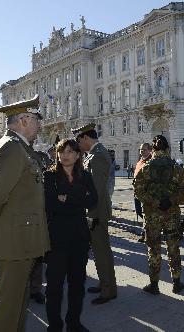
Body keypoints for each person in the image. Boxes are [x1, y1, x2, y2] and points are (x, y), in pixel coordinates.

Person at [0, 95, 50, 332]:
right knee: (9, 307)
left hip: (22, 238)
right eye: (37, 119)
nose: (40, 125)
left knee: (18, 302)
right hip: (14, 241)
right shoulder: (11, 149)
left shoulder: (21, 148)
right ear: (24, 120)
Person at [44, 139, 97, 332]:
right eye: (61, 151)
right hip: (56, 238)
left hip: (79, 237)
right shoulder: (49, 176)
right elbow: (49, 204)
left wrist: (68, 198)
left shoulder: (85, 176)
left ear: (77, 155)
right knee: (54, 286)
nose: (65, 155)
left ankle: (74, 323)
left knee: (77, 284)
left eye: (69, 151)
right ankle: (55, 325)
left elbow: (93, 201)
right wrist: (77, 200)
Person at [134, 135, 184, 294]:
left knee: (153, 249)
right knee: (173, 247)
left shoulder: (146, 167)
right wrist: (172, 200)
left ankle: (154, 284)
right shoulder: (175, 167)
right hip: (171, 215)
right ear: (167, 149)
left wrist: (155, 202)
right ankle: (177, 282)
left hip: (152, 216)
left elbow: (138, 190)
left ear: (153, 150)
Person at [72, 123, 117, 305]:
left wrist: (93, 215)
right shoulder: (92, 154)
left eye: (78, 140)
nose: (78, 145)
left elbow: (96, 190)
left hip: (96, 210)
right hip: (93, 209)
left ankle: (108, 290)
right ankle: (104, 283)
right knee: (99, 251)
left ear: (85, 138)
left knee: (102, 251)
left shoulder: (97, 156)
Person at [133, 143, 152, 243]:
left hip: (145, 192)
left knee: (145, 213)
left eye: (144, 150)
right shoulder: (140, 161)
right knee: (139, 211)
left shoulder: (151, 162)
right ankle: (147, 231)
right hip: (137, 191)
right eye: (140, 150)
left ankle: (145, 234)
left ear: (150, 150)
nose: (141, 152)